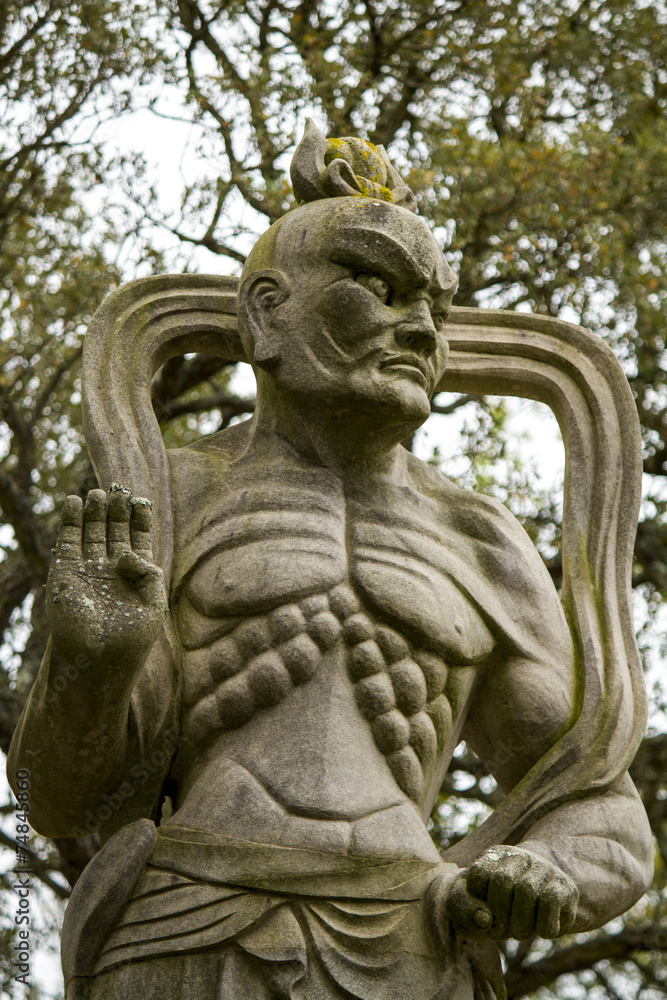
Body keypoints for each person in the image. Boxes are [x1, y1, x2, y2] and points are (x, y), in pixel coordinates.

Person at [8, 124, 653, 1000]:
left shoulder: (480, 539)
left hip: (411, 947)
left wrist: (546, 870)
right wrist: (91, 662)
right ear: (267, 313)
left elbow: (598, 806)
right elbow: (64, 802)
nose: (421, 327)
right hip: (183, 935)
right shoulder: (178, 495)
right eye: (377, 288)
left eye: (434, 303)